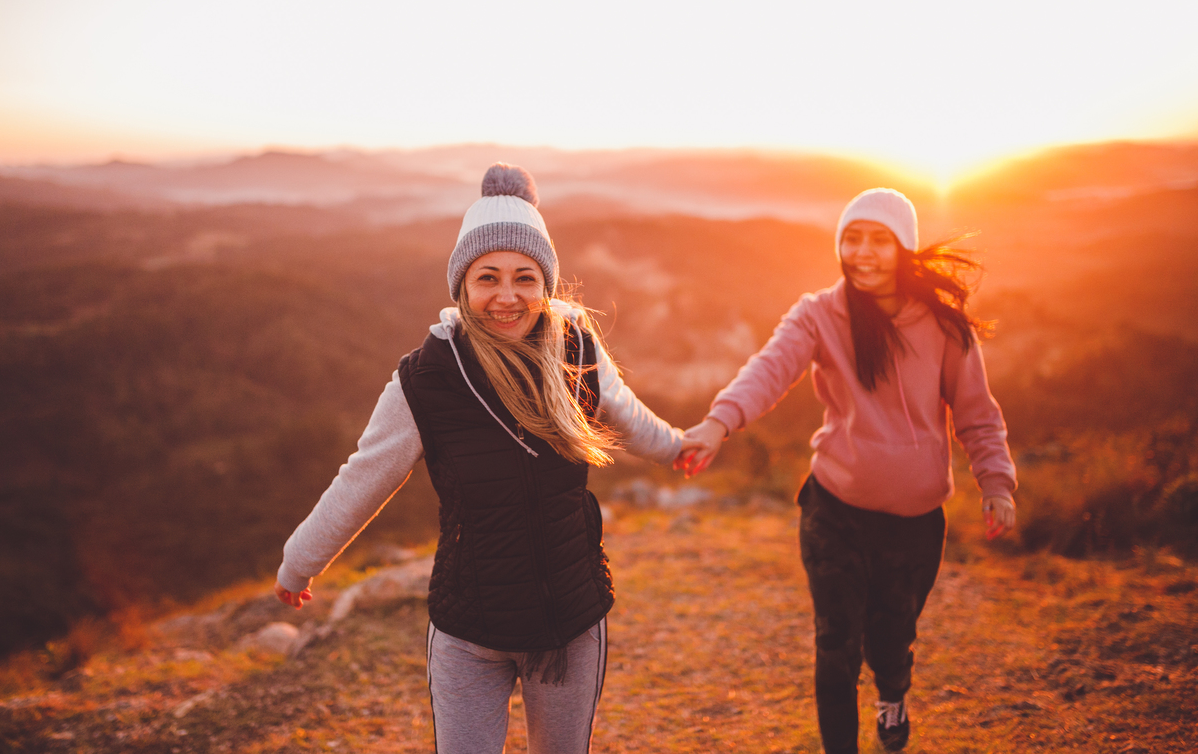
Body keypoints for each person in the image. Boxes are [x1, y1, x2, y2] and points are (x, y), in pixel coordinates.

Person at [274, 163, 683, 754]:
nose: (507, 297)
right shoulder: (427, 377)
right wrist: (301, 560)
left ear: (546, 285)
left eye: (525, 278)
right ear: (462, 286)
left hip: (569, 621)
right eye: (487, 278)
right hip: (469, 630)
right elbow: (366, 474)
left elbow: (629, 416)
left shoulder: (575, 349)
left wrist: (679, 448)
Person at [679, 188, 1017, 754]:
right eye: (851, 238)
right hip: (834, 510)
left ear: (904, 248)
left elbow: (978, 415)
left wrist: (997, 483)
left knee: (890, 640)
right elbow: (768, 370)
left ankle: (893, 693)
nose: (861, 252)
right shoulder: (819, 314)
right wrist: (718, 423)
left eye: (878, 240)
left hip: (914, 523)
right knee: (835, 647)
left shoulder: (945, 328)